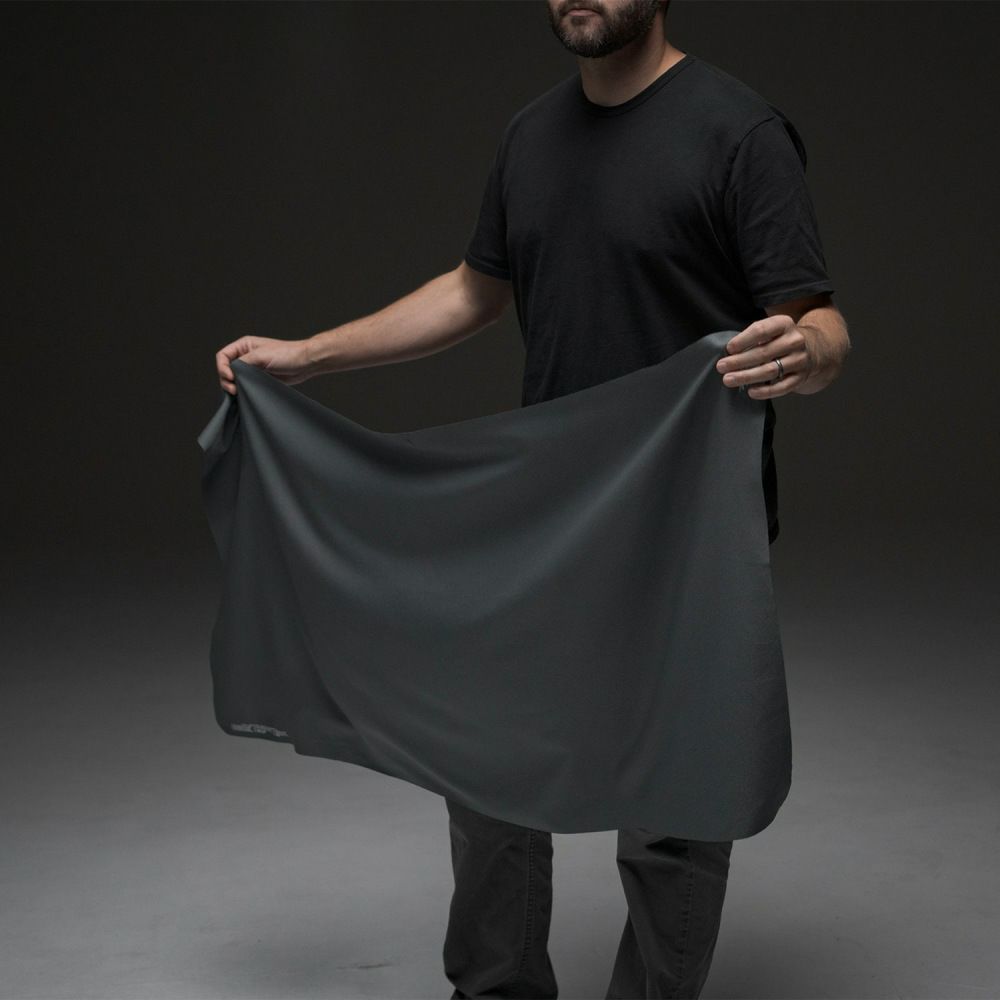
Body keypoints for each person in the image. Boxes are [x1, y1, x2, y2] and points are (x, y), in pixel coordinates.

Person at [214, 1, 851, 996]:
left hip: (682, 530)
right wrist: (308, 356)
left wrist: (804, 353)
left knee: (674, 806)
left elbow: (818, 320)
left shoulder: (739, 131)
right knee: (487, 773)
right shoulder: (531, 135)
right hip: (544, 522)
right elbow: (476, 289)